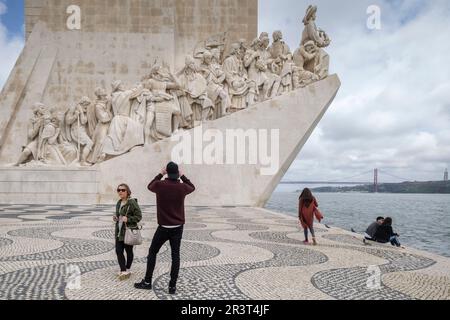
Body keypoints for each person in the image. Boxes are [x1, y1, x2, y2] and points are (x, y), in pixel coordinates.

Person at [135, 162, 195, 294]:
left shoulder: (160, 185)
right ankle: (172, 286)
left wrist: (160, 173)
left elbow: (150, 185)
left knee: (152, 252)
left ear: (167, 172)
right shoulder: (182, 187)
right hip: (178, 227)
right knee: (175, 256)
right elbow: (192, 187)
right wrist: (183, 175)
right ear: (177, 173)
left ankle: (147, 281)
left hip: (163, 227)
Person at [113, 183, 142, 280]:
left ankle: (128, 268)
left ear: (127, 191)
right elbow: (119, 216)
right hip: (119, 231)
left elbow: (138, 217)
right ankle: (123, 270)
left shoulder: (132, 202)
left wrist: (128, 219)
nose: (120, 192)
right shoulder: (119, 202)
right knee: (118, 251)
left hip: (128, 231)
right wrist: (117, 218)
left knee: (129, 251)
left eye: (123, 190)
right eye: (119, 190)